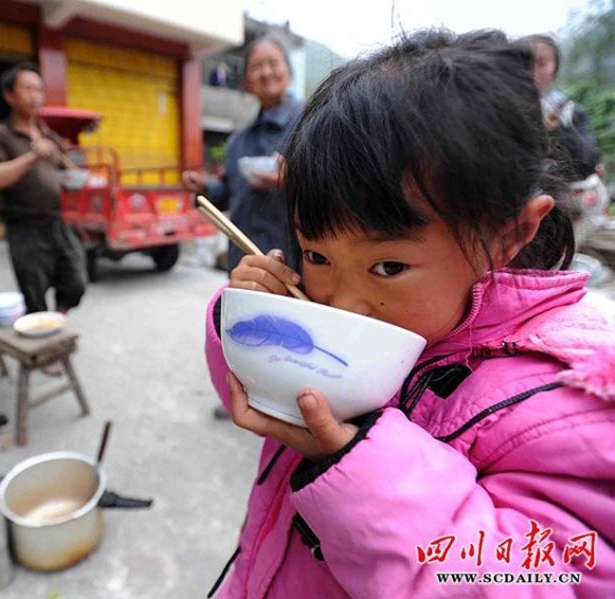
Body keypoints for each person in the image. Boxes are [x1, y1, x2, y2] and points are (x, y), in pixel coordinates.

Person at [203, 30, 615, 597]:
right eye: (318, 255)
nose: (339, 302)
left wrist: (354, 462)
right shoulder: (338, 300)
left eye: (388, 267)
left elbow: (550, 582)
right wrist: (247, 322)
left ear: (512, 232)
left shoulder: (567, 403)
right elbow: (247, 396)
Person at [183, 35, 303, 275]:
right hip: (243, 267)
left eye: (273, 63)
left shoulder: (312, 123)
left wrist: (296, 179)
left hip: (295, 268)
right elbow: (229, 192)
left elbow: (344, 188)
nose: (266, 72)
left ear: (289, 73)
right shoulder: (239, 140)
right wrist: (205, 188)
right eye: (257, 67)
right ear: (247, 81)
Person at [0, 62, 86, 319]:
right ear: (9, 95)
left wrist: (75, 177)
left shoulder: (49, 136)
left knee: (75, 281)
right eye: (27, 89)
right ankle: (42, 346)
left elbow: (66, 170)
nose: (35, 95)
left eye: (39, 89)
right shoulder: (0, 134)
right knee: (34, 292)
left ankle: (56, 322)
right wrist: (32, 156)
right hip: (24, 225)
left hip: (55, 221)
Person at [525, 34, 601, 181]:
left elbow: (588, 163)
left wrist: (558, 130)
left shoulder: (572, 113)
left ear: (555, 68)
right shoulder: (505, 111)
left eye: (541, 63)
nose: (533, 70)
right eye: (526, 63)